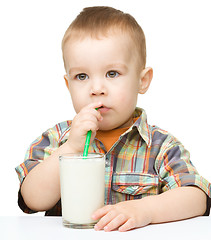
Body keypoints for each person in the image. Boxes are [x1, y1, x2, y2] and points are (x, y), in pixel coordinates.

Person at [15, 6, 211, 232]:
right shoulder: (57, 139)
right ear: (68, 85)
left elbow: (197, 196)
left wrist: (144, 210)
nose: (96, 88)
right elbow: (32, 199)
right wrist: (70, 148)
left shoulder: (160, 146)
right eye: (82, 76)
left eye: (112, 73)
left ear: (142, 80)